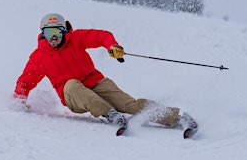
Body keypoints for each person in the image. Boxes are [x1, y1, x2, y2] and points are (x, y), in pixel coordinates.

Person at [14, 13, 198, 137]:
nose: (53, 37)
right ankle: (110, 114)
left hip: (95, 82)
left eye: (56, 31)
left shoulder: (76, 39)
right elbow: (24, 82)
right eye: (48, 32)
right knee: (71, 84)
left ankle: (178, 118)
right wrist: (17, 102)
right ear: (42, 34)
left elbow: (101, 36)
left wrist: (112, 46)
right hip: (73, 96)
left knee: (129, 105)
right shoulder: (39, 57)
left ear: (64, 31)